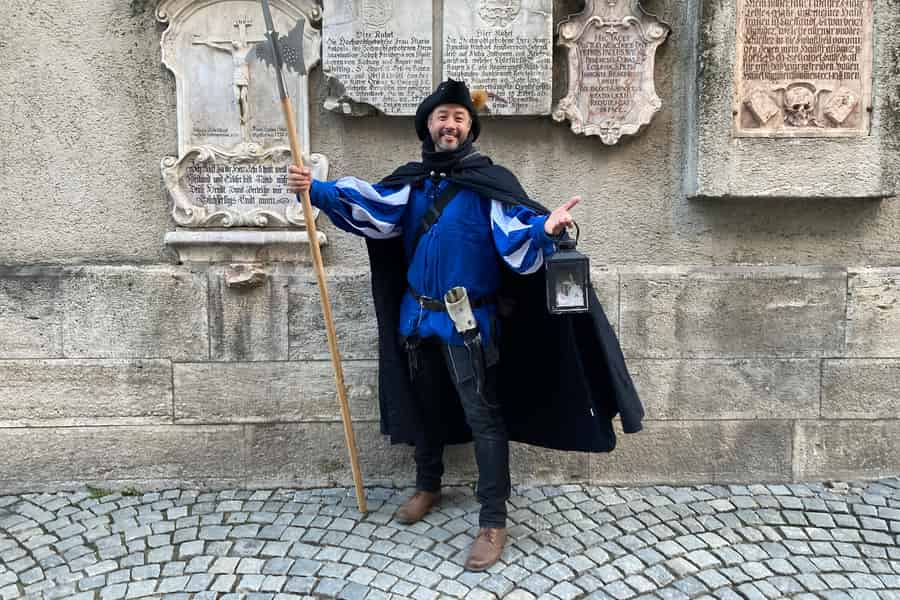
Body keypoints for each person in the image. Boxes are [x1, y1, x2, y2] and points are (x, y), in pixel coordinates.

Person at [288, 79, 644, 571]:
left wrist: (545, 228)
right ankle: (428, 485)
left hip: (467, 321)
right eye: (441, 117)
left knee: (483, 417)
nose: (449, 124)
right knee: (426, 405)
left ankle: (493, 520)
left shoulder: (488, 184)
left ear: (469, 127)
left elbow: (514, 234)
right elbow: (373, 206)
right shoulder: (413, 184)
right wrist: (318, 191)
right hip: (417, 316)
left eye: (458, 117)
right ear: (428, 127)